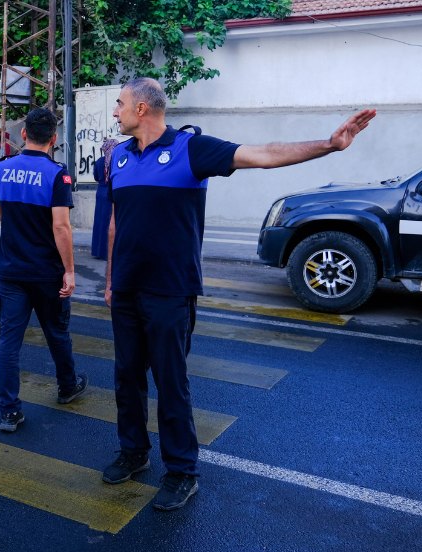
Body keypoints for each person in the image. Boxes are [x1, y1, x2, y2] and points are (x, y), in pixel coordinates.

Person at [102, 77, 376, 511]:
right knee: (126, 376)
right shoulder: (117, 157)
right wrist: (112, 279)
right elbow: (117, 222)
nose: (113, 112)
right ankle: (133, 452)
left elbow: (264, 154)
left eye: (118, 104)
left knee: (170, 382)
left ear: (142, 109)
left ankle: (182, 472)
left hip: (171, 290)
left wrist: (328, 144)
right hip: (128, 288)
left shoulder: (193, 149)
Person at [0, 108, 89, 433]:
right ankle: (67, 386)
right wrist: (70, 271)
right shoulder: (57, 175)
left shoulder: (2, 170)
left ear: (23, 134)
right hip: (46, 274)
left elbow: (1, 212)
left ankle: (9, 412)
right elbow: (61, 227)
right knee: (57, 333)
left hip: (11, 271)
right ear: (54, 139)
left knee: (9, 343)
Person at [91, 139, 118, 259]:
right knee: (109, 222)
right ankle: (107, 252)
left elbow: (96, 177)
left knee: (99, 221)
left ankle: (97, 251)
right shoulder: (115, 161)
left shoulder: (99, 161)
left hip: (100, 192)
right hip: (110, 193)